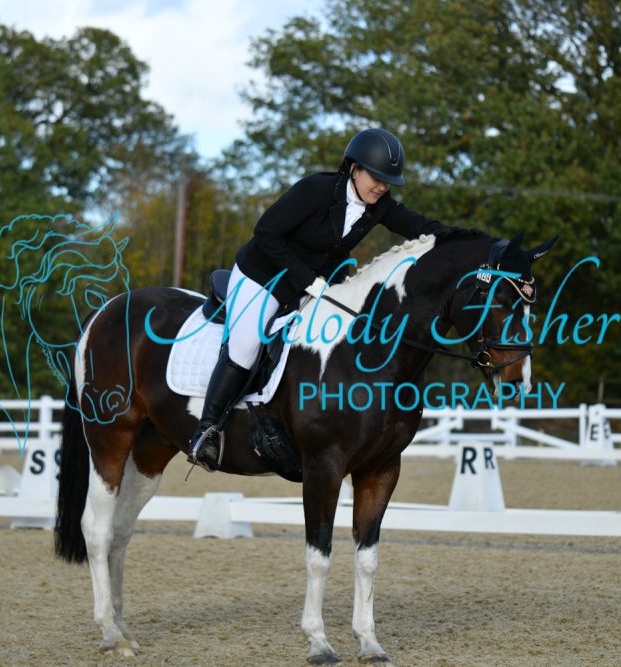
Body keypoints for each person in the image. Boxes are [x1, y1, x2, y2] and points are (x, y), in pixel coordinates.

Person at [188, 128, 448, 471]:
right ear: (354, 168)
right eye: (377, 178)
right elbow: (266, 232)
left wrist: (465, 241)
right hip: (263, 277)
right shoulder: (315, 190)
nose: (382, 187)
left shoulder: (378, 206)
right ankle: (207, 430)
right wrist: (308, 280)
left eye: (388, 182)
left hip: (313, 283)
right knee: (247, 344)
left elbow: (417, 224)